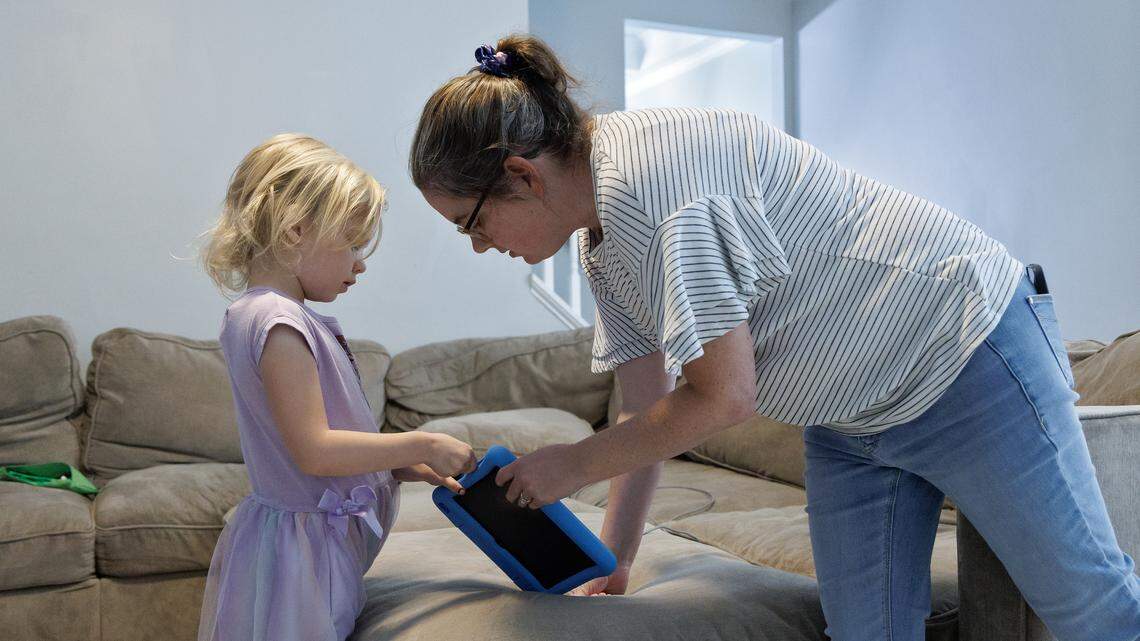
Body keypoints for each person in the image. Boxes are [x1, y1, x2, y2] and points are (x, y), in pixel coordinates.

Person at [408, 36, 1140, 640]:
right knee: (865, 631)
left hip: (963, 352)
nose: (478, 245)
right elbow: (644, 408)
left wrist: (572, 464)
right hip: (851, 420)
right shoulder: (600, 242)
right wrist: (615, 558)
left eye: (471, 223)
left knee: (1088, 605)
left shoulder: (658, 190)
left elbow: (724, 396)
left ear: (521, 175)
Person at [197, 133, 477, 641]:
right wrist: (424, 441)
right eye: (351, 243)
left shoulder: (272, 316)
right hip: (304, 554)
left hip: (309, 543)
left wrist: (398, 464)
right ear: (295, 231)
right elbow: (315, 450)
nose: (360, 262)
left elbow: (318, 440)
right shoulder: (277, 322)